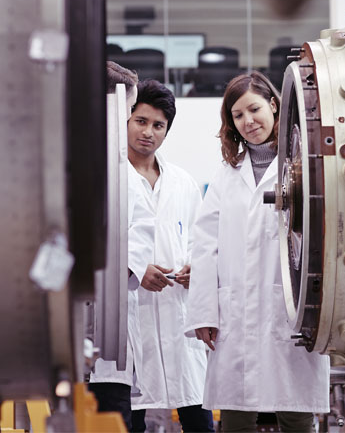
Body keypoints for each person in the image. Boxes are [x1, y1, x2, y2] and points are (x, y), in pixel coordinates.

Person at [184, 71, 330, 433]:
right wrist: (204, 312)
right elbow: (205, 245)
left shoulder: (306, 165)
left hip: (292, 305)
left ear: (274, 105)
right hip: (238, 309)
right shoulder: (227, 175)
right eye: (238, 115)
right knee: (236, 411)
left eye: (254, 109)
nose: (248, 121)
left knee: (295, 409)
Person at [127, 79, 214, 433]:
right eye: (141, 121)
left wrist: (198, 268)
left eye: (158, 125)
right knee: (129, 419)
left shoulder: (182, 182)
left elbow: (201, 240)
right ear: (126, 121)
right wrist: (134, 270)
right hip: (132, 316)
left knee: (198, 418)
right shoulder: (110, 177)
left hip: (179, 315)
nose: (149, 132)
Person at [88, 61, 140, 431]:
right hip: (64, 336)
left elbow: (137, 239)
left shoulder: (126, 176)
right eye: (124, 111)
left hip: (109, 341)